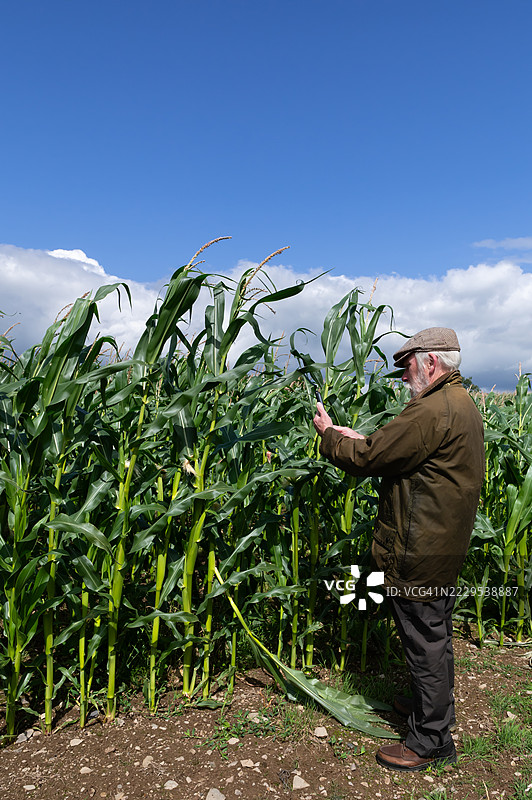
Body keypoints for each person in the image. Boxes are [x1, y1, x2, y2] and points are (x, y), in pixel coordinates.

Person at [313, 327, 484, 772]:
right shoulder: (459, 402)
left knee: (424, 640)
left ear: (430, 362)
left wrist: (331, 436)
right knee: (437, 636)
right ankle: (431, 709)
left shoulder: (432, 408)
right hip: (443, 544)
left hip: (419, 548)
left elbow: (369, 459)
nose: (403, 376)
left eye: (407, 365)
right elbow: (397, 451)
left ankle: (430, 738)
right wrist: (361, 437)